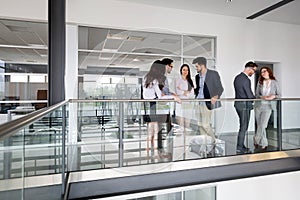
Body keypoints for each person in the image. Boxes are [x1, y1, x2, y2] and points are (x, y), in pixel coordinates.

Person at [143, 60, 180, 155]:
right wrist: (174, 97)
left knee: (154, 130)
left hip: (151, 106)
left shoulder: (147, 78)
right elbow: (160, 96)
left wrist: (165, 94)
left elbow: (146, 95)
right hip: (157, 105)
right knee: (159, 129)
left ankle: (154, 150)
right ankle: (159, 150)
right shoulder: (156, 80)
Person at [193, 57, 224, 142]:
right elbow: (200, 89)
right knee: (200, 124)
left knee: (205, 124)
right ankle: (205, 144)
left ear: (202, 65)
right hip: (198, 102)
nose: (196, 68)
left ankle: (214, 141)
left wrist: (215, 96)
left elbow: (220, 88)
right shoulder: (197, 77)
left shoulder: (213, 74)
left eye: (197, 66)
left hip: (207, 103)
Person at [234, 61, 257, 154]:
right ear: (249, 68)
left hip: (238, 104)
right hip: (244, 106)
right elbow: (249, 95)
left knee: (242, 126)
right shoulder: (246, 79)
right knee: (244, 127)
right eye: (253, 70)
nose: (253, 73)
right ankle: (239, 147)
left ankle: (241, 145)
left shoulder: (237, 77)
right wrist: (256, 98)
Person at [254, 67, 280, 151]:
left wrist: (273, 96)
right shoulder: (260, 82)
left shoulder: (274, 82)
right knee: (260, 125)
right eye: (261, 72)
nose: (263, 73)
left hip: (268, 106)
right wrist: (262, 96)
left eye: (264, 71)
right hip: (258, 106)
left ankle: (256, 139)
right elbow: (257, 94)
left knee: (263, 125)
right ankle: (264, 144)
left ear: (269, 72)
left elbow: (279, 95)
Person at [174, 64, 194, 130]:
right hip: (180, 103)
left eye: (187, 70)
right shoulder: (177, 79)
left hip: (188, 104)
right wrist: (185, 92)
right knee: (181, 124)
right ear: (181, 71)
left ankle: (186, 139)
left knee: (187, 123)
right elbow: (177, 92)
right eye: (184, 70)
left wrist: (183, 92)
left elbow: (192, 94)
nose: (185, 71)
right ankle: (181, 139)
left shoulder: (190, 81)